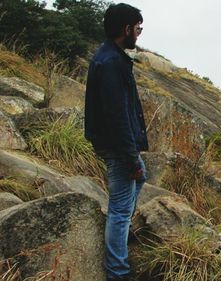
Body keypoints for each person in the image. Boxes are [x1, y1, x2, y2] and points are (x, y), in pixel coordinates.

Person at [84, 3, 148, 281]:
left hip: (118, 144)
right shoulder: (111, 63)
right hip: (119, 147)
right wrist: (131, 158)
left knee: (140, 181)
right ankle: (117, 272)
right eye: (138, 28)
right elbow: (117, 116)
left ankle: (118, 241)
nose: (139, 34)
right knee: (120, 210)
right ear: (126, 29)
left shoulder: (111, 56)